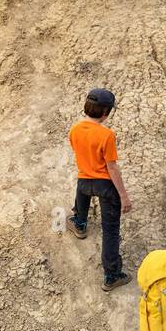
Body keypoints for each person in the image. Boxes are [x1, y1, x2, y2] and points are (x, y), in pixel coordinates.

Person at [66, 88, 132, 291]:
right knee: (110, 230)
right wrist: (124, 196)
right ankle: (111, 276)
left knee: (82, 193)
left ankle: (79, 224)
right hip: (105, 185)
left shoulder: (74, 130)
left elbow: (78, 152)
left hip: (85, 180)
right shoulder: (106, 135)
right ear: (105, 112)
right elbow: (111, 167)